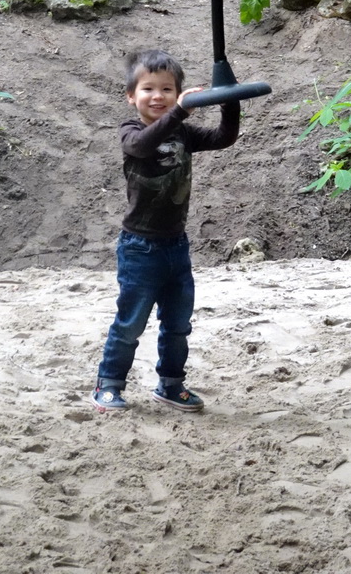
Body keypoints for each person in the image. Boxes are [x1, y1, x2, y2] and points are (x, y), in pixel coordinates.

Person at [91, 48, 240, 413]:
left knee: (177, 325)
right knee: (130, 324)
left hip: (177, 245)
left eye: (168, 90)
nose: (158, 96)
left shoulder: (184, 133)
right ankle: (109, 383)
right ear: (131, 97)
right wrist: (179, 112)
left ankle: (171, 385)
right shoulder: (131, 131)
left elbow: (224, 137)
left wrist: (229, 99)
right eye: (148, 89)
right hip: (139, 247)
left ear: (178, 93)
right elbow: (142, 146)